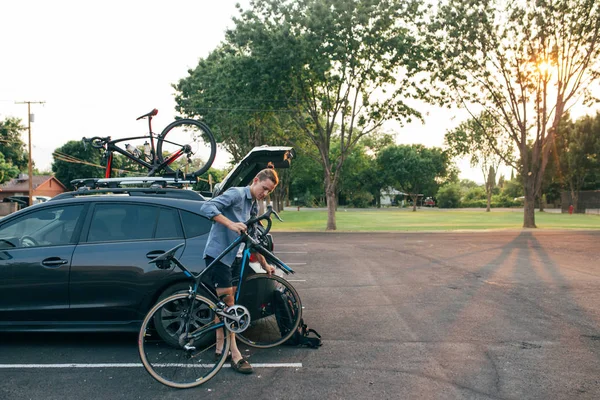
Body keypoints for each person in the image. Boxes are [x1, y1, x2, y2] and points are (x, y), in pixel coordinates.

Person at [199, 168, 278, 374]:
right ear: (255, 180)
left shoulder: (253, 205)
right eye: (264, 188)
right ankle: (234, 354)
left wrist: (264, 264)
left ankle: (219, 348)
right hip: (218, 256)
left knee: (223, 305)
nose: (265, 194)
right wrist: (231, 224)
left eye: (269, 191)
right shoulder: (235, 194)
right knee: (230, 307)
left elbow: (252, 237)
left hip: (234, 257)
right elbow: (207, 207)